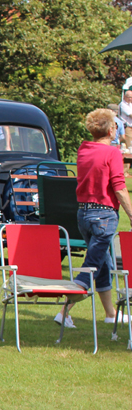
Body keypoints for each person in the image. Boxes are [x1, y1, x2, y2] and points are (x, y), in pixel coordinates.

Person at [56, 108, 132, 329]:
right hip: (104, 216)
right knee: (92, 265)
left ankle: (110, 314)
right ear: (110, 130)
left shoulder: (84, 149)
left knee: (104, 263)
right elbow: (119, 187)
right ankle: (63, 311)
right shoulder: (112, 153)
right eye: (115, 125)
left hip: (84, 215)